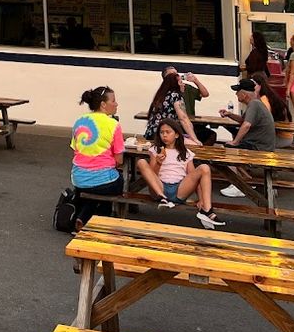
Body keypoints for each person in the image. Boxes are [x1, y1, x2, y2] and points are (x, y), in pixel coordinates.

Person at [137, 119, 225, 228]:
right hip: (159, 187)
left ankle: (207, 210)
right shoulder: (155, 150)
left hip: (179, 189)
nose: (164, 135)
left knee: (204, 168)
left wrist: (201, 199)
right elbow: (151, 176)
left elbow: (194, 177)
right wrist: (159, 163)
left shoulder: (186, 153)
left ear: (177, 135)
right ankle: (162, 197)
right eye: (161, 132)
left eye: (168, 132)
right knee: (141, 162)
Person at [70, 85, 124, 229]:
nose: (116, 104)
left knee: (96, 187)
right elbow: (119, 160)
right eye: (114, 101)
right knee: (116, 181)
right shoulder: (113, 124)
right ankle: (99, 222)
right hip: (103, 180)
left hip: (78, 178)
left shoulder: (79, 121)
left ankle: (82, 218)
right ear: (103, 104)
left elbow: (75, 149)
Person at [218, 78, 277, 197]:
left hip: (259, 147)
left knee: (228, 150)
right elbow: (243, 120)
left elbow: (246, 125)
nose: (236, 94)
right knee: (229, 147)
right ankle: (245, 180)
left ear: (244, 94)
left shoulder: (254, 104)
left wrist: (235, 142)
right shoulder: (256, 103)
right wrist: (230, 115)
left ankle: (238, 185)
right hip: (262, 145)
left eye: (237, 91)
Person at [162, 65, 215, 145]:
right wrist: (194, 139)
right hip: (174, 126)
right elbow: (183, 118)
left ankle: (199, 154)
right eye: (173, 75)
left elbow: (205, 94)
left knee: (210, 134)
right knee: (196, 138)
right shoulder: (169, 93)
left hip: (188, 123)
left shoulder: (186, 88)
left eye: (177, 74)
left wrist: (195, 80)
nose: (177, 76)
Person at [144, 72, 201, 145]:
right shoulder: (176, 96)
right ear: (175, 84)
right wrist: (195, 139)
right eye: (181, 82)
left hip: (152, 133)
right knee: (194, 144)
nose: (183, 84)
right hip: (164, 134)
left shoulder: (161, 95)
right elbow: (183, 119)